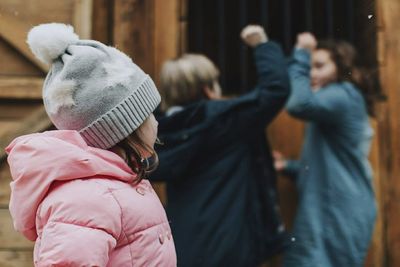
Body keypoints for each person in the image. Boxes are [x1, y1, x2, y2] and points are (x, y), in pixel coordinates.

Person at [5, 23, 176, 266]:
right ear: (125, 128)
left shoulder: (119, 185)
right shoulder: (88, 200)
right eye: (149, 115)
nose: (157, 123)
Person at [149, 25, 290, 266]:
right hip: (230, 243)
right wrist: (261, 44)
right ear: (208, 88)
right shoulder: (226, 121)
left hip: (183, 244)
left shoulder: (159, 131)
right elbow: (274, 91)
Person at [278, 32, 377, 267]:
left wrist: (302, 53)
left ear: (341, 67)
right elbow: (328, 163)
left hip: (339, 212)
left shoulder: (343, 94)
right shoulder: (331, 100)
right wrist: (289, 167)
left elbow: (297, 104)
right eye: (310, 66)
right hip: (327, 211)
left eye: (320, 66)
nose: (312, 73)